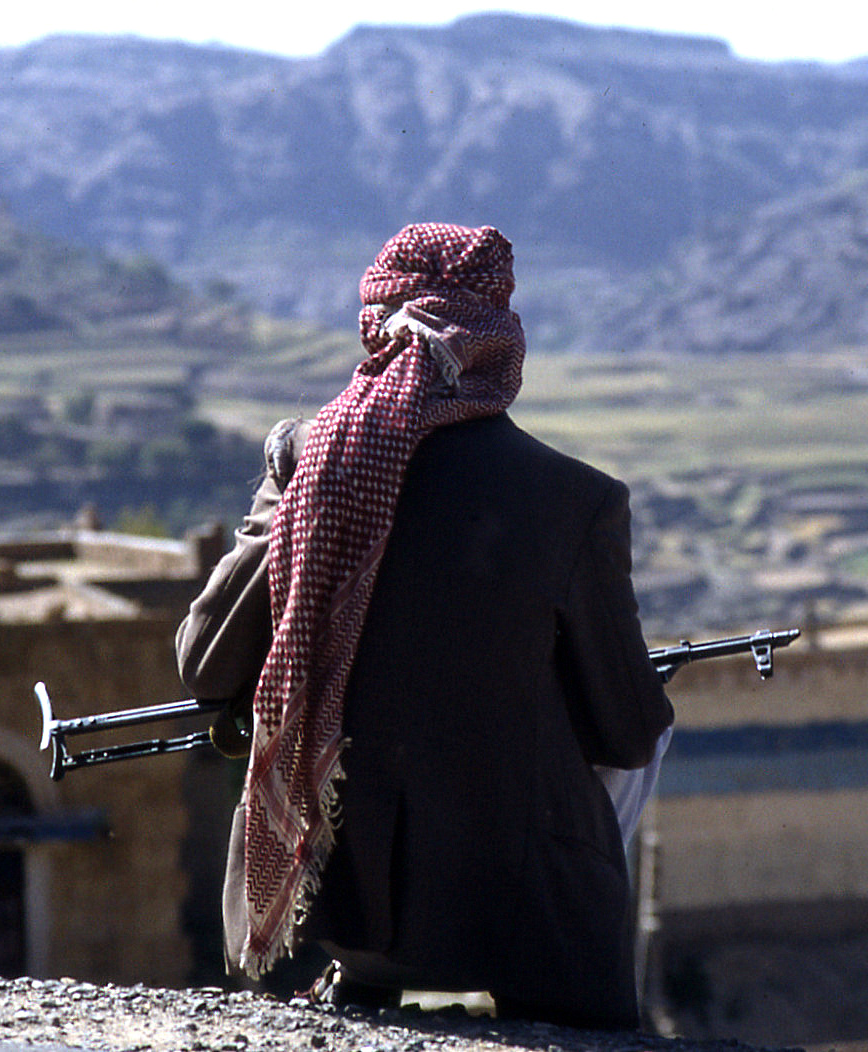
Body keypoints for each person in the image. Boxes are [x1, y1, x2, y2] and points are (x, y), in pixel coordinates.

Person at [176, 222, 673, 1029]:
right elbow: (627, 733)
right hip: (523, 924)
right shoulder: (577, 501)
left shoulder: (310, 463)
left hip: (341, 914)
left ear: (374, 325)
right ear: (499, 340)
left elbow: (203, 665)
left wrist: (305, 508)